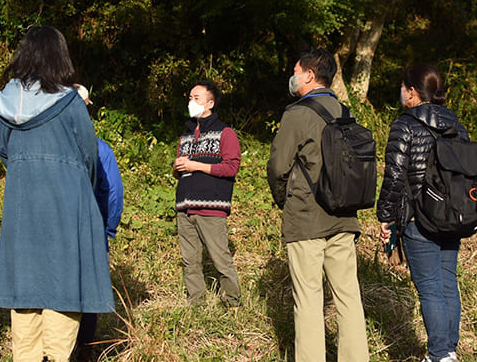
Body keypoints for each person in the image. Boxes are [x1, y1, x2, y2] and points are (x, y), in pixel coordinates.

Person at [0, 26, 114, 362]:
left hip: (22, 208)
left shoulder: (4, 102)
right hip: (66, 205)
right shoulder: (70, 103)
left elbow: (5, 153)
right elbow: (89, 157)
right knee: (63, 291)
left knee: (25, 296)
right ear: (59, 56)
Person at [266, 49, 369, 362]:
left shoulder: (297, 114)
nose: (293, 76)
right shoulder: (345, 112)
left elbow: (277, 166)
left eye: (296, 69)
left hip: (306, 218)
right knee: (348, 296)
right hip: (344, 216)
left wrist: (286, 200)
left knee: (309, 299)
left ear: (309, 75)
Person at [377, 64, 467, 362]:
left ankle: (439, 354)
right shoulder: (457, 125)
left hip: (418, 217)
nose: (401, 91)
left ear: (412, 91)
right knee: (446, 284)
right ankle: (449, 351)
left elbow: (393, 175)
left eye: (403, 86)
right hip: (453, 215)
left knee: (429, 289)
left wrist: (385, 217)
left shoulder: (405, 125)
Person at [172, 80, 241, 307]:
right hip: (185, 207)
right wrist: (178, 167)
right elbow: (179, 173)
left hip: (211, 207)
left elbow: (231, 167)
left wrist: (196, 166)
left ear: (210, 103)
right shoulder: (186, 135)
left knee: (221, 259)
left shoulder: (225, 133)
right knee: (190, 261)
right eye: (190, 98)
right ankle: (196, 304)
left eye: (197, 98)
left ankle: (233, 303)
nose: (191, 102)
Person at [73, 85, 124, 360]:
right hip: (91, 228)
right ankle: (85, 347)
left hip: (56, 232)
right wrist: (108, 227)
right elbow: (113, 192)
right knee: (89, 292)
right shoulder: (99, 147)